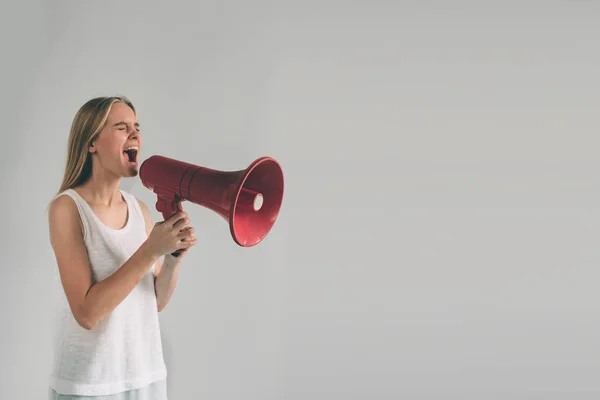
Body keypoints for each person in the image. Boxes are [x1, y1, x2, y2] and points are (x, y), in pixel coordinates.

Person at [46, 96, 196, 399]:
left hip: (145, 377)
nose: (136, 135)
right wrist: (150, 250)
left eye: (137, 128)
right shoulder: (67, 209)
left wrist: (172, 259)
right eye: (121, 127)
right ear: (92, 143)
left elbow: (151, 303)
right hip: (91, 385)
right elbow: (87, 313)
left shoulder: (138, 209)